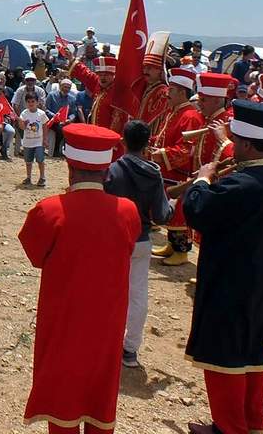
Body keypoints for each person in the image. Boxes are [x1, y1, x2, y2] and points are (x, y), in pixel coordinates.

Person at [183, 101, 263, 434]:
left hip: (230, 284)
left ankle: (229, 427)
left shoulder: (243, 185)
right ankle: (252, 420)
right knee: (252, 355)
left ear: (246, 144)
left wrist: (202, 181)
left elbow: (198, 211)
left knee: (224, 358)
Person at [19, 123, 140, 433]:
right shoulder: (127, 211)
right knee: (101, 390)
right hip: (107, 322)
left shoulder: (49, 211)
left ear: (69, 167)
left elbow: (35, 255)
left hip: (64, 320)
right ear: (106, 170)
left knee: (62, 395)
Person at [104, 120, 172, 368]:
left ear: (123, 141)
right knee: (138, 297)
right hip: (142, 239)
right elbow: (162, 215)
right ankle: (130, 350)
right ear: (147, 144)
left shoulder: (111, 171)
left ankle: (107, 342)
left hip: (115, 240)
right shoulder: (154, 173)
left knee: (110, 293)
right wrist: (175, 200)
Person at [148, 67, 204, 266]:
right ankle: (172, 245)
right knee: (169, 208)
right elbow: (164, 136)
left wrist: (161, 153)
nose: (167, 93)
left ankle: (181, 251)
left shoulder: (190, 116)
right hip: (166, 169)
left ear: (181, 92)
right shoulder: (174, 112)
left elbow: (186, 149)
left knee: (178, 210)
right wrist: (151, 141)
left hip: (179, 172)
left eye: (171, 90)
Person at [69, 55, 121, 132]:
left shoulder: (118, 91)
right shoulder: (98, 83)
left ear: (113, 75)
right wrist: (71, 58)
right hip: (95, 132)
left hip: (109, 136)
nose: (103, 78)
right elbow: (85, 74)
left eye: (106, 75)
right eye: (100, 75)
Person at [138, 34, 170, 131]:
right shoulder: (146, 87)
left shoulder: (163, 91)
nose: (146, 71)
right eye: (145, 67)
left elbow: (156, 120)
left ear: (160, 71)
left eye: (150, 68)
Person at [18, 93, 50, 187]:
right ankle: (28, 177)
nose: (31, 103)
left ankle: (42, 177)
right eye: (29, 102)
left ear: (37, 102)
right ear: (26, 103)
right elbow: (22, 128)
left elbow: (45, 126)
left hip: (38, 141)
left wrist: (45, 139)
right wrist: (22, 123)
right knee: (28, 161)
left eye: (33, 101)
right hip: (28, 142)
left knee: (40, 159)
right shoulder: (24, 113)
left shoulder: (41, 114)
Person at [44, 79, 77, 157]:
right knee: (60, 129)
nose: (66, 89)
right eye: (64, 87)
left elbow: (73, 113)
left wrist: (70, 119)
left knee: (71, 130)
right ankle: (56, 150)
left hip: (66, 121)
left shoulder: (72, 99)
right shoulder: (51, 95)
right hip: (52, 121)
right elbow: (46, 109)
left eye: (68, 88)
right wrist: (56, 117)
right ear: (60, 86)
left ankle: (68, 152)